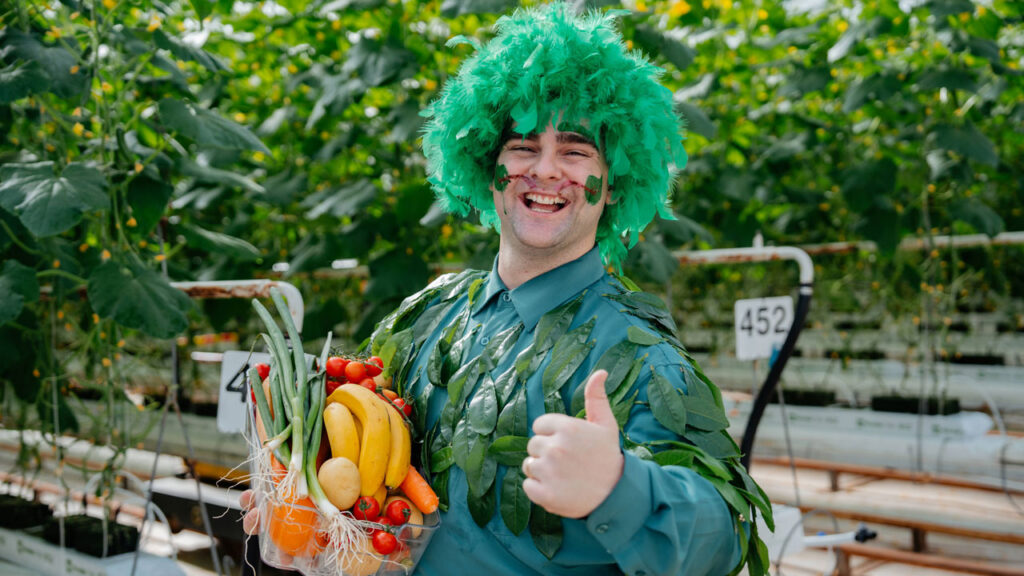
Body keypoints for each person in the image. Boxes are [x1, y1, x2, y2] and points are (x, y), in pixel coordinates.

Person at [243, 4, 770, 575]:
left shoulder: (637, 359)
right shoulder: (425, 319)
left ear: (613, 183)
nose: (545, 170)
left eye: (575, 150)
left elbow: (724, 535)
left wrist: (621, 487)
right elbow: (369, 477)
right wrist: (304, 504)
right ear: (485, 164)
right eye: (522, 146)